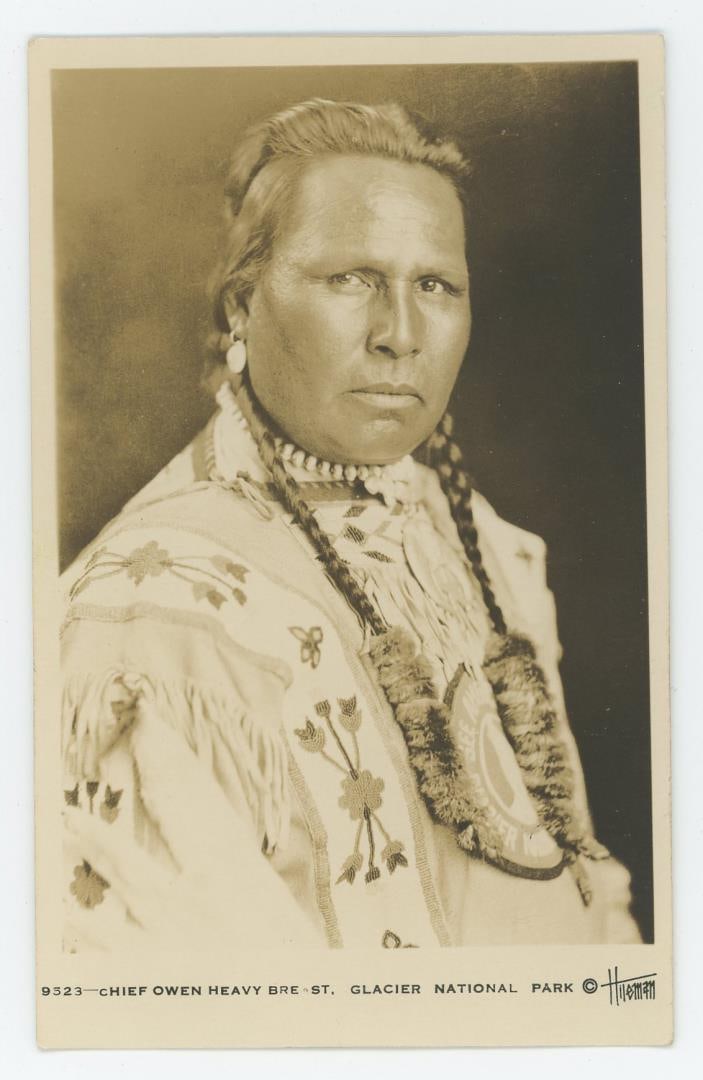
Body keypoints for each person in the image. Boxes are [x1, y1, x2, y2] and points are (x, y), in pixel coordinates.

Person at [60, 98, 640, 951]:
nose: (400, 335)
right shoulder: (145, 624)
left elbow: (586, 892)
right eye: (351, 280)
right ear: (240, 307)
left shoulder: (473, 540)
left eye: (434, 286)